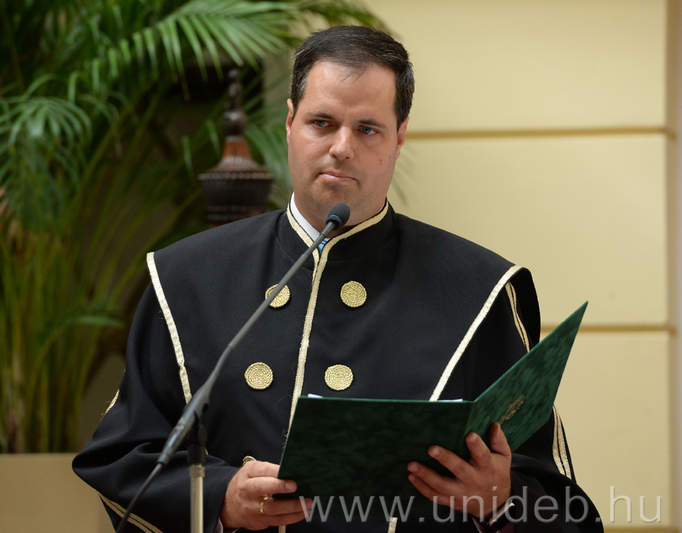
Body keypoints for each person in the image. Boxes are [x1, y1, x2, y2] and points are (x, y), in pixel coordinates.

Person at [73, 26, 603, 532]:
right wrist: (220, 500)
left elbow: (560, 506)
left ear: (399, 138)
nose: (342, 147)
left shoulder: (480, 291)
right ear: (289, 122)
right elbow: (123, 460)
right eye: (322, 123)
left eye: (367, 129)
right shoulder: (187, 277)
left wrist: (501, 499)